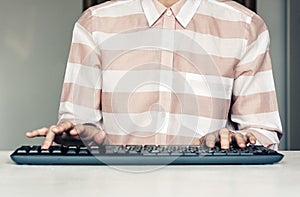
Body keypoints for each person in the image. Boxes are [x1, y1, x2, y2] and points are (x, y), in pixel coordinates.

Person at [26, 0, 283, 150]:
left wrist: (241, 141)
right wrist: (77, 134)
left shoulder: (246, 27)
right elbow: (78, 123)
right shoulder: (94, 23)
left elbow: (264, 133)